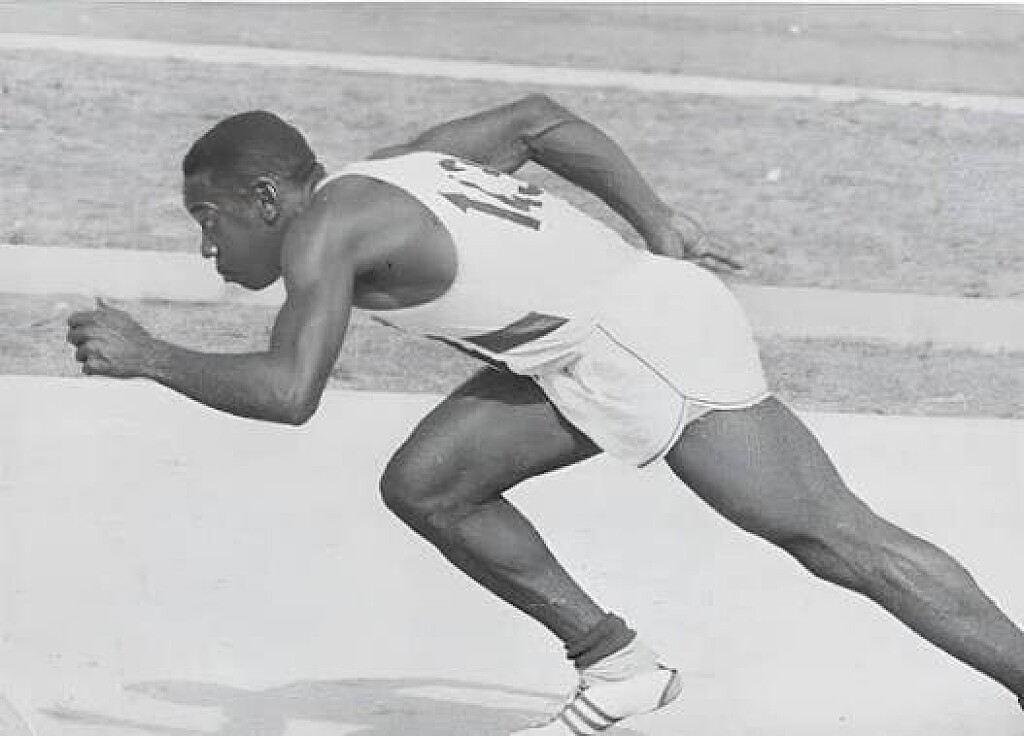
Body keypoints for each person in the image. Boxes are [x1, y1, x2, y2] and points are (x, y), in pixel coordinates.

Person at [67, 94, 1024, 733]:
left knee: (840, 542)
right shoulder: (395, 167)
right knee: (430, 484)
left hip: (648, 343)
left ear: (266, 197)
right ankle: (618, 666)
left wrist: (150, 356)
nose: (207, 247)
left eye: (208, 219)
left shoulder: (326, 233)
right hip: (578, 346)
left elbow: (289, 394)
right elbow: (536, 120)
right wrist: (656, 220)